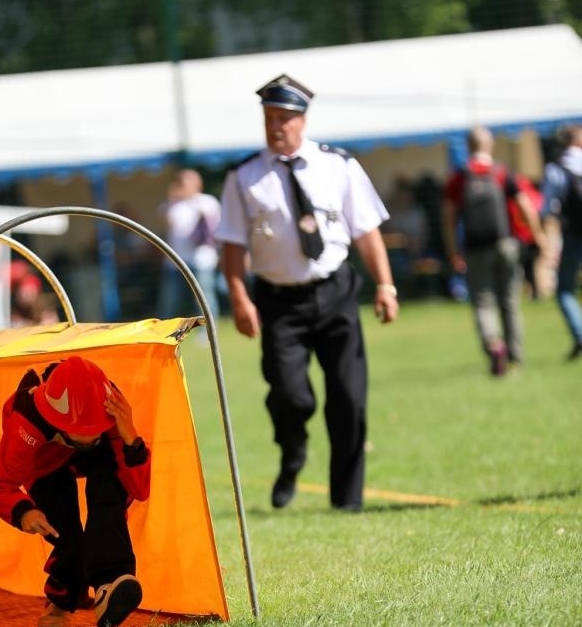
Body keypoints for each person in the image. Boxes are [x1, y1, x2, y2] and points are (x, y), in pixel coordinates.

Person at [217, 73, 399, 512]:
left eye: (284, 118)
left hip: (335, 290)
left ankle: (347, 500)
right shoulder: (243, 177)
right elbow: (232, 245)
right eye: (269, 118)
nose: (276, 126)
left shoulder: (338, 165)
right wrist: (240, 298)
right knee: (290, 395)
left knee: (349, 396)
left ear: (303, 120)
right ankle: (292, 451)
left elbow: (367, 232)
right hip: (279, 301)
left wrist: (385, 285)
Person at [0, 355, 151, 627]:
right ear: (56, 423)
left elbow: (140, 490)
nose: (86, 439)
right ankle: (60, 603)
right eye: (78, 436)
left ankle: (110, 584)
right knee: (63, 531)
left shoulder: (112, 409)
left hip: (104, 447)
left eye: (94, 433)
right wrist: (23, 511)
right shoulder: (26, 419)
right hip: (44, 462)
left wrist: (131, 439)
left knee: (109, 497)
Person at [442, 126, 545, 375]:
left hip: (476, 248)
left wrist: (454, 250)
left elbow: (448, 218)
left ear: (467, 147)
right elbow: (525, 206)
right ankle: (516, 358)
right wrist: (537, 235)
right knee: (510, 302)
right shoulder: (501, 173)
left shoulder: (459, 177)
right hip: (505, 243)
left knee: (482, 302)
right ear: (490, 145)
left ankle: (493, 344)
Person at [157, 169, 222, 321]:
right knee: (170, 300)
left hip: (201, 259)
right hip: (175, 260)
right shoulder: (173, 205)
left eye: (185, 182)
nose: (181, 185)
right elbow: (165, 223)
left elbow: (215, 228)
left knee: (204, 298)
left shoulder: (207, 201)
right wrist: (171, 198)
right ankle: (164, 333)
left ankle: (208, 332)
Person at [541, 123, 582, 360]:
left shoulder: (556, 169)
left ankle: (579, 334)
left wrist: (547, 238)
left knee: (565, 289)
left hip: (574, 234)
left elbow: (548, 207)